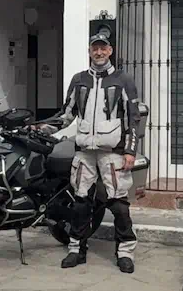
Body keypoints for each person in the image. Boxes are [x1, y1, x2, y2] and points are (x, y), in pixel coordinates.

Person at [36, 31, 142, 273]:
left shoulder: (123, 80)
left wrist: (130, 151)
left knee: (118, 204)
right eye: (95, 47)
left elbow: (133, 118)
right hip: (84, 152)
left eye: (103, 48)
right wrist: (45, 128)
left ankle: (125, 252)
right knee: (81, 203)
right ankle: (76, 249)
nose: (99, 52)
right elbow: (67, 114)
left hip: (113, 152)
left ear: (110, 51)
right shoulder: (79, 80)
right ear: (89, 51)